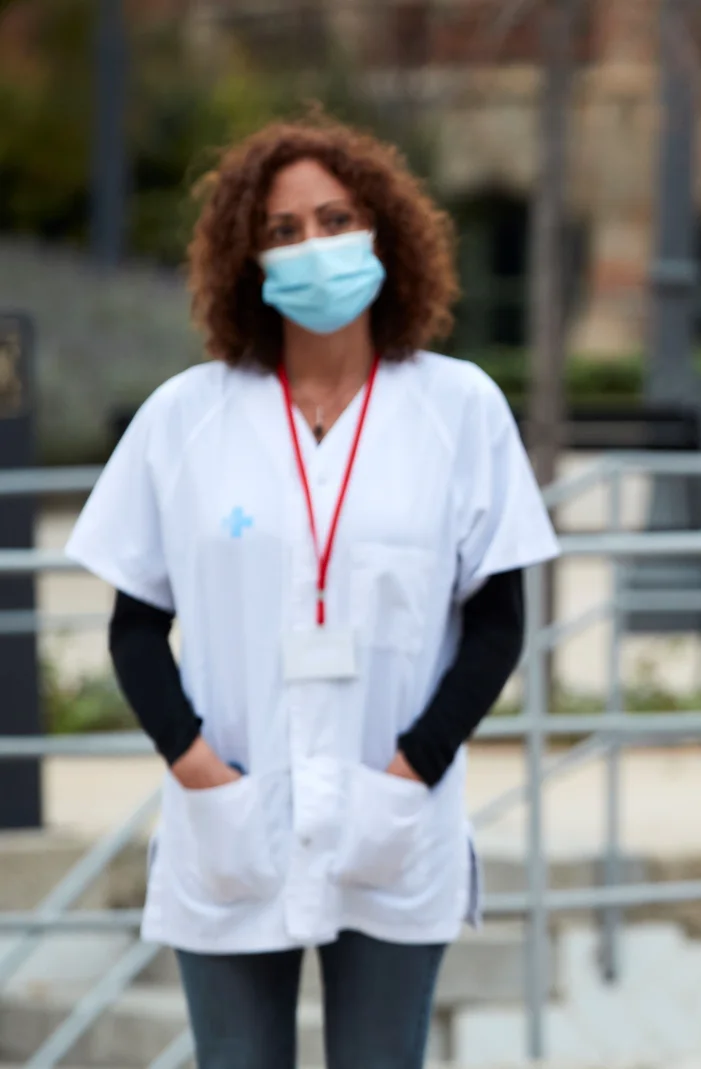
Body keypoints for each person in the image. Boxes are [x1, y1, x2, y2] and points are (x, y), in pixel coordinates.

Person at [65, 117, 558, 1069]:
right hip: (232, 817)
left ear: (385, 233)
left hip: (392, 810)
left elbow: (499, 623)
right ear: (247, 258)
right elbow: (133, 626)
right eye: (283, 230)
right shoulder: (186, 418)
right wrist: (195, 763)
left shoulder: (457, 408)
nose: (313, 247)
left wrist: (413, 767)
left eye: (336, 219)